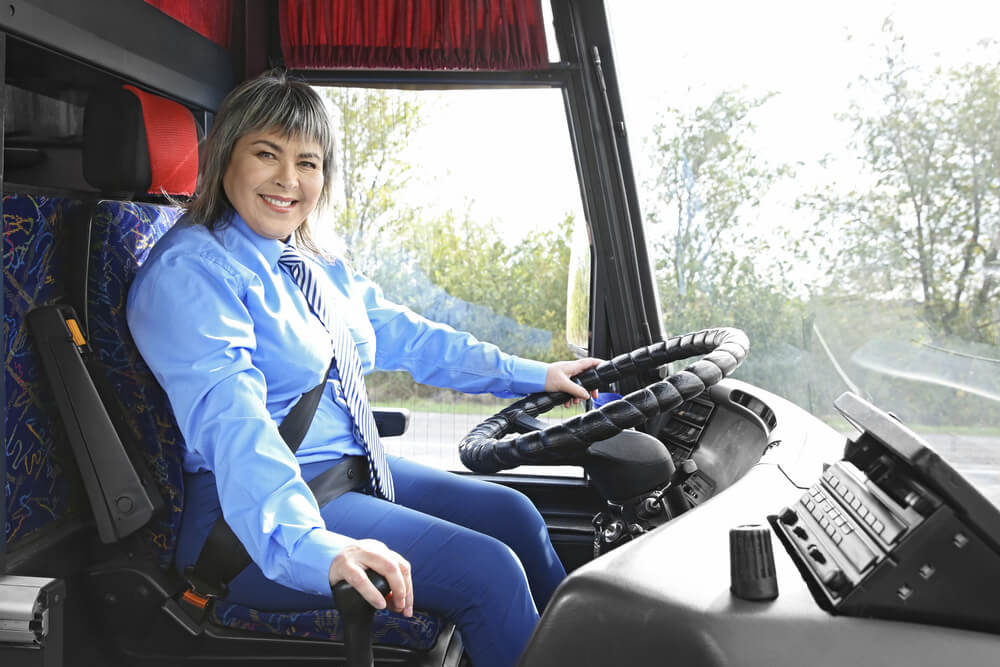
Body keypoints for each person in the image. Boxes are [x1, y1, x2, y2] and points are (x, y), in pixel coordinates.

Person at [127, 70, 600, 667]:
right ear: (226, 159)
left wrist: (533, 374)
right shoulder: (191, 274)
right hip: (253, 522)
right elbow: (233, 425)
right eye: (266, 154)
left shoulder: (308, 262)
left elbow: (409, 335)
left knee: (516, 516)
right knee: (489, 570)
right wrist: (314, 547)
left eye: (309, 162)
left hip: (349, 473)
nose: (288, 180)